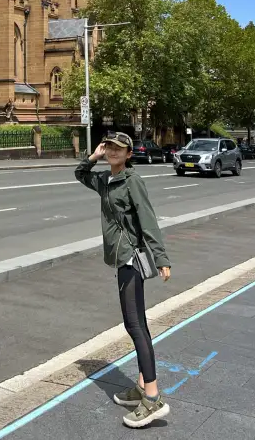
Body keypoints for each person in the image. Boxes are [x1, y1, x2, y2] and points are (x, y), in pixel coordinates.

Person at [75, 131, 172, 429]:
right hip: (120, 258)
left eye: (119, 149)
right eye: (109, 148)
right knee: (138, 323)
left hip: (131, 258)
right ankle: (142, 386)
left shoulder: (132, 182)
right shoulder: (106, 179)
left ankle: (152, 397)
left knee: (135, 325)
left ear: (129, 154)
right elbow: (80, 174)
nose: (113, 152)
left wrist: (161, 258)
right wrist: (92, 157)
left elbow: (148, 219)